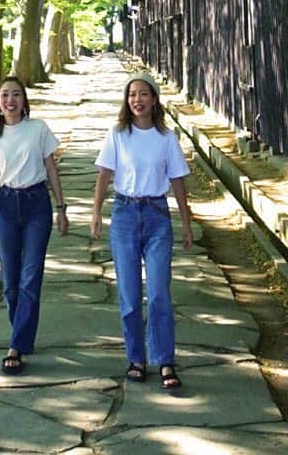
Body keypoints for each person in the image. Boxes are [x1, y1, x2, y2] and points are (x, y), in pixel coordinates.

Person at [91, 72, 193, 390]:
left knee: (160, 293)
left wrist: (186, 222)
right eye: (132, 94)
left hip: (157, 217)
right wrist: (96, 213)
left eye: (143, 94)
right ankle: (136, 357)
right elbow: (105, 175)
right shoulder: (118, 135)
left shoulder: (166, 138)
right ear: (127, 100)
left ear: (154, 99)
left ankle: (165, 361)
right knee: (131, 297)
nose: (137, 99)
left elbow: (177, 180)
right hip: (124, 215)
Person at [0, 75, 70, 375]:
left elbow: (51, 169)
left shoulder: (38, 129)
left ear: (24, 100)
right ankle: (22, 334)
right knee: (10, 282)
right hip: (7, 206)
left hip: (36, 205)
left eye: (16, 94)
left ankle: (16, 345)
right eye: (5, 95)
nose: (10, 100)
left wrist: (61, 208)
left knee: (30, 277)